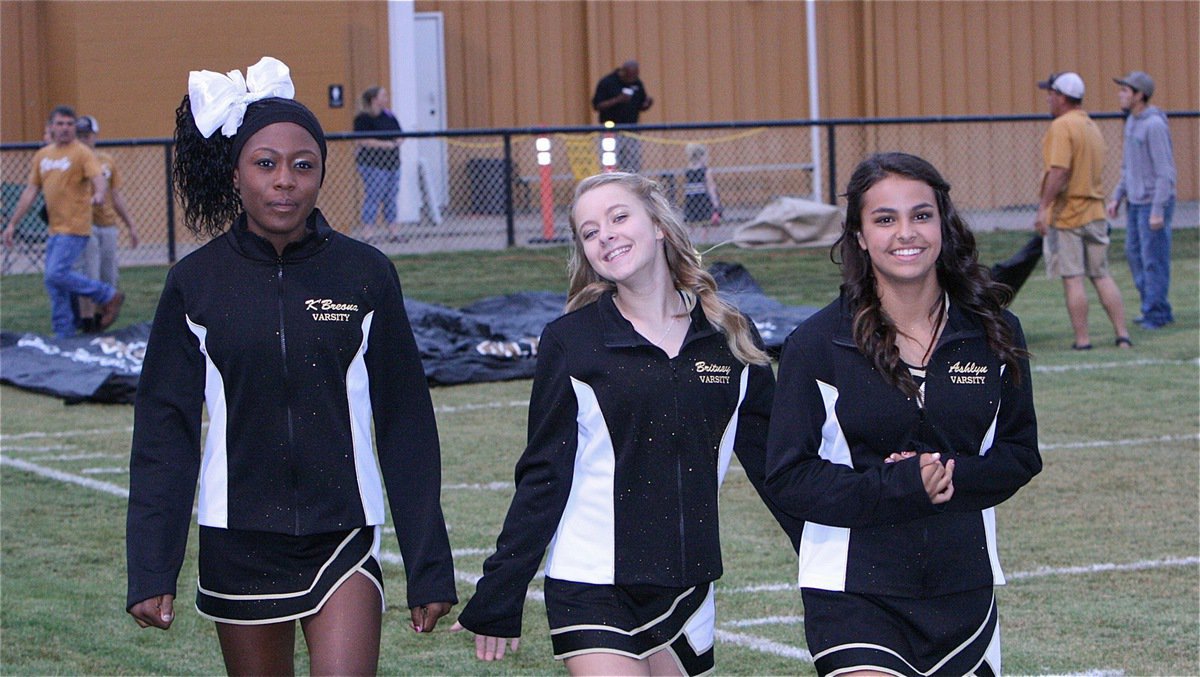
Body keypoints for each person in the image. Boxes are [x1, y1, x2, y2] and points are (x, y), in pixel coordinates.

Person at [125, 57, 456, 675]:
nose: (285, 181)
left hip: (343, 532)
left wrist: (428, 560)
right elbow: (163, 431)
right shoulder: (195, 283)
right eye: (266, 163)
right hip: (238, 537)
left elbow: (407, 421)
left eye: (303, 165)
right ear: (236, 173)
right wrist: (151, 564)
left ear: (323, 174)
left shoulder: (365, 274)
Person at [451, 172, 801, 675]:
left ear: (658, 225)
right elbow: (544, 475)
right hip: (590, 581)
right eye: (590, 232)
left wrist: (835, 560)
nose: (605, 235)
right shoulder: (572, 341)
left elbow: (777, 468)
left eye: (618, 217)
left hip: (688, 585)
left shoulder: (730, 336)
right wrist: (501, 589)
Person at [765, 152, 1041, 676]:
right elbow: (788, 475)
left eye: (920, 215)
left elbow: (1020, 456)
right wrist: (895, 484)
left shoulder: (994, 334)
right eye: (884, 219)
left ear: (943, 223)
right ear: (860, 236)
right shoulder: (817, 344)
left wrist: (948, 476)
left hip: (963, 584)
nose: (905, 233)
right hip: (853, 588)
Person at [2, 105, 124, 337]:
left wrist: (99, 194)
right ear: (51, 127)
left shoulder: (81, 153)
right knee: (54, 284)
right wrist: (12, 224)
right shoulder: (43, 156)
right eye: (60, 124)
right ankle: (64, 333)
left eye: (69, 124)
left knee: (55, 274)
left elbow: (98, 178)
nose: (65, 128)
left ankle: (107, 295)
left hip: (76, 227)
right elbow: (30, 191)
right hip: (54, 230)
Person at [1033, 72, 1131, 350]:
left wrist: (1043, 207)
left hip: (1070, 214)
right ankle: (1122, 335)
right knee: (1101, 274)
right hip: (1096, 211)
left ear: (1062, 97)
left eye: (1051, 93)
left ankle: (1083, 340)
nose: (1049, 98)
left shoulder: (1062, 127)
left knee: (1073, 278)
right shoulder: (1090, 125)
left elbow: (1060, 171)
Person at [1106, 71, 1177, 330]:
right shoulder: (1132, 123)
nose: (1121, 95)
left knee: (1152, 259)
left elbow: (1165, 172)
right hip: (1134, 203)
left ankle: (1155, 312)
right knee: (1134, 255)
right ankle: (1154, 305)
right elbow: (1128, 168)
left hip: (1152, 203)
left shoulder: (1154, 124)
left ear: (1140, 95)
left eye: (1126, 91)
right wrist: (1117, 197)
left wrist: (1157, 210)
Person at [75, 115, 140, 331]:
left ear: (94, 136)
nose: (84, 140)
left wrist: (130, 224)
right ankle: (88, 321)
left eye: (87, 135)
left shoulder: (106, 161)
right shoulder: (73, 160)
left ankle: (102, 320)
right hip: (84, 223)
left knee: (108, 274)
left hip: (107, 223)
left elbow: (115, 195)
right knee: (89, 273)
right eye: (80, 136)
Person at [353, 86, 403, 240]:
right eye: (383, 95)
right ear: (374, 99)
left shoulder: (389, 116)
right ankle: (368, 232)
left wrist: (397, 142)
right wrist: (385, 144)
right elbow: (362, 139)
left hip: (393, 163)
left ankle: (393, 231)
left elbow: (400, 134)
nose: (386, 98)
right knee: (373, 196)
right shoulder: (363, 118)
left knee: (391, 197)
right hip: (372, 164)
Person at [592, 60, 654, 173]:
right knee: (610, 163)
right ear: (624, 72)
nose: (632, 80)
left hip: (631, 130)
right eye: (630, 77)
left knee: (633, 164)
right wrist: (618, 99)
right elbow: (597, 105)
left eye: (635, 76)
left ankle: (631, 187)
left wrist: (647, 104)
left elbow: (640, 105)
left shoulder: (637, 83)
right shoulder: (607, 82)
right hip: (611, 131)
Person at [682, 143, 721, 226]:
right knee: (704, 224)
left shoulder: (688, 170)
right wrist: (715, 203)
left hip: (691, 200)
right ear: (701, 157)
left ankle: (692, 237)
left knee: (692, 223)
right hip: (702, 199)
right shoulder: (706, 171)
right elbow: (711, 187)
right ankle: (704, 237)